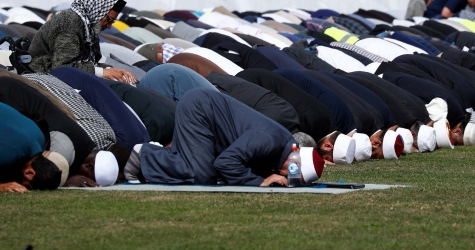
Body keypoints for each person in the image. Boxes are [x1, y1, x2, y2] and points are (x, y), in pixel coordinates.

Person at [124, 88, 325, 186]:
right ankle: (146, 154)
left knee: (208, 173)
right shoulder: (269, 141)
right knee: (202, 176)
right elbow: (226, 162)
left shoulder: (282, 147)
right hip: (200, 109)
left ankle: (163, 159)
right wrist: (260, 183)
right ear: (294, 158)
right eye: (291, 174)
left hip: (207, 113)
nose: (285, 177)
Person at [28, 0, 136, 83]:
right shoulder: (69, 23)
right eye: (109, 20)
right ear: (98, 11)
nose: (109, 26)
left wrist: (111, 70)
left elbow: (93, 63)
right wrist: (104, 72)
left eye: (112, 22)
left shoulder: (89, 27)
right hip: (41, 76)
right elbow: (64, 66)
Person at [0, 102, 64, 192]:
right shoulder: (8, 154)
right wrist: (2, 186)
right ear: (29, 173)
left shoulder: (40, 137)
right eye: (27, 186)